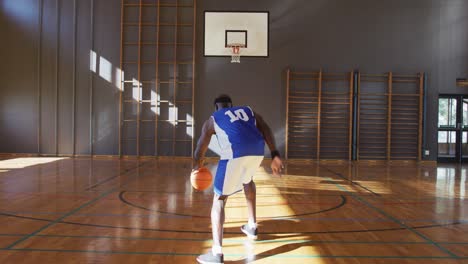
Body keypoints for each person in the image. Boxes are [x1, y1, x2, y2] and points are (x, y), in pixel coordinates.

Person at [193, 94, 283, 264]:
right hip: (257, 151)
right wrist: (275, 154)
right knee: (247, 180)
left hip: (235, 154)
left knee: (219, 199)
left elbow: (200, 148)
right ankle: (252, 225)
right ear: (231, 105)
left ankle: (216, 253)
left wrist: (196, 166)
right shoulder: (247, 110)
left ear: (216, 108)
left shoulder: (213, 119)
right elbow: (264, 127)